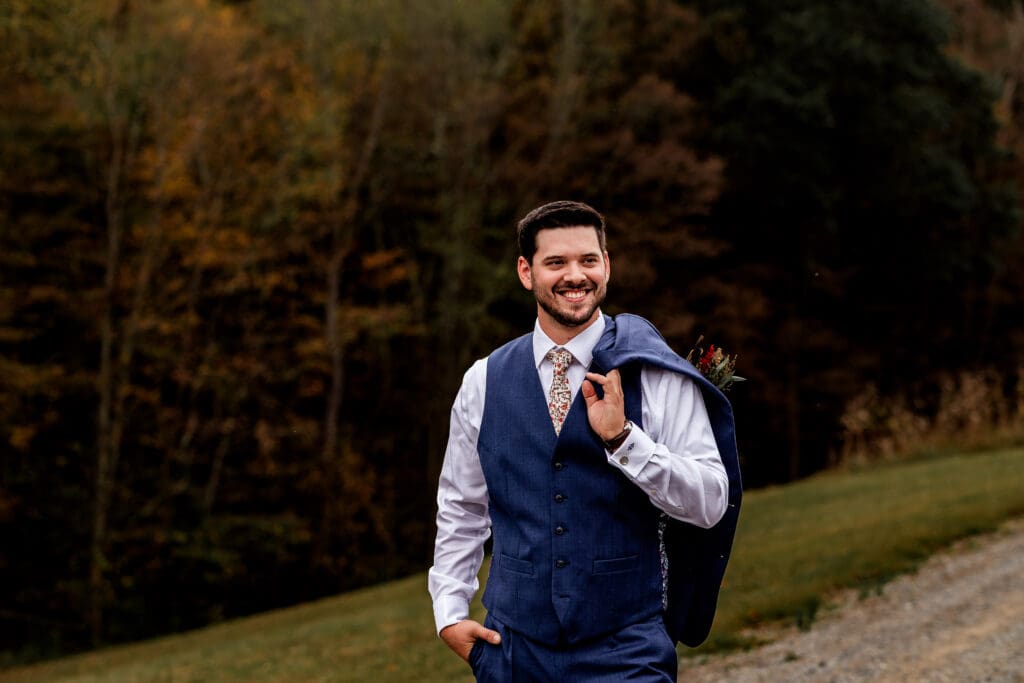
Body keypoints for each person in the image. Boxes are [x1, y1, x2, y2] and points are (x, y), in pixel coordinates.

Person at [428, 200, 742, 682]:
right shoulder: (482, 381)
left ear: (607, 265)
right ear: (526, 271)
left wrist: (623, 440)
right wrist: (449, 612)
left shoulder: (655, 374)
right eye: (556, 262)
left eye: (588, 260)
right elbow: (462, 508)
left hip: (627, 651)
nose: (575, 276)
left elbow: (710, 502)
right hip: (513, 653)